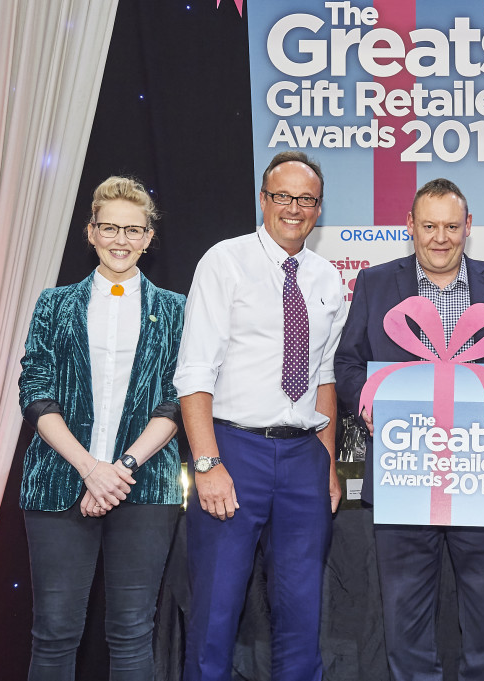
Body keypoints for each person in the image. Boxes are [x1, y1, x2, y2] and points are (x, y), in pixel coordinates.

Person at [335, 178, 484, 681]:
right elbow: (348, 363)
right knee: (404, 622)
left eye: (452, 226)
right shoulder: (376, 283)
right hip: (406, 481)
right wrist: (367, 400)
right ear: (410, 227)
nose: (440, 237)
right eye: (429, 226)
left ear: (469, 227)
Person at [175, 151, 346, 681]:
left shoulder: (327, 278)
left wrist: (328, 464)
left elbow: (324, 377)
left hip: (303, 459)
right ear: (264, 199)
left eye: (307, 199)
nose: (294, 208)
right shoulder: (224, 262)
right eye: (283, 196)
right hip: (234, 451)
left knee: (301, 610)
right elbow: (194, 372)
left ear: (319, 208)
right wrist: (207, 464)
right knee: (216, 609)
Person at [18, 176, 185, 680]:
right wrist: (91, 469)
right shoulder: (53, 304)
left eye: (133, 230)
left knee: (134, 633)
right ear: (90, 232)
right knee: (54, 634)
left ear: (149, 238)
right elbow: (36, 392)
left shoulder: (176, 310)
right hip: (58, 483)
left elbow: (175, 402)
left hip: (145, 486)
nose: (121, 240)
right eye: (109, 228)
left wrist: (120, 469)